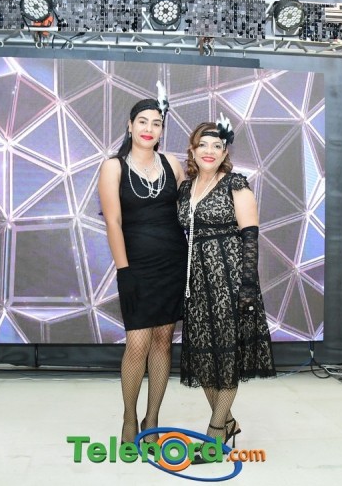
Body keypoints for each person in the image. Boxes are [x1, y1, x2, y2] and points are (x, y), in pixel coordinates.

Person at [176, 116, 276, 460]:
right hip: (197, 283)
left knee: (227, 356)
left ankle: (215, 433)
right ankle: (229, 421)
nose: (209, 150)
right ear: (192, 150)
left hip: (230, 281)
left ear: (225, 152)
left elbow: (250, 237)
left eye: (217, 145)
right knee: (204, 356)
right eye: (202, 144)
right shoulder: (186, 189)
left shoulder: (236, 183)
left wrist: (247, 287)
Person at [97, 84, 188, 446]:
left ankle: (152, 419)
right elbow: (113, 222)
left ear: (162, 130)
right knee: (137, 344)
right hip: (135, 267)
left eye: (157, 123)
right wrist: (124, 271)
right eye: (143, 121)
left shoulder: (172, 164)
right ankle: (129, 417)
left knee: (163, 343)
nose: (149, 128)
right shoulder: (113, 166)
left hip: (173, 263)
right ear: (130, 125)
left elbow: (189, 210)